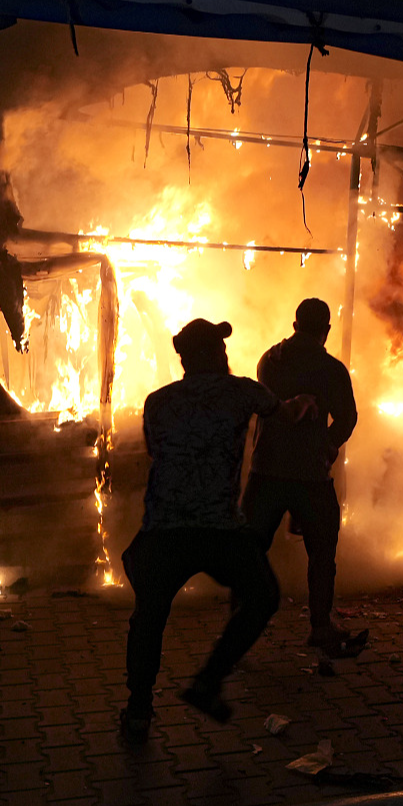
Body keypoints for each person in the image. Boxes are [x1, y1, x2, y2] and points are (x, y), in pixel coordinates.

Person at [118, 319, 310, 746]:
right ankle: (209, 679)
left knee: (149, 618)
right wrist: (304, 402)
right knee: (262, 597)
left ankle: (138, 710)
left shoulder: (157, 402)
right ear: (214, 356)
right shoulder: (242, 391)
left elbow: (157, 452)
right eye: (221, 350)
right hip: (219, 529)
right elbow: (285, 413)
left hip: (164, 530)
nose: (227, 356)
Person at [245, 299, 363, 659]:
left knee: (250, 551)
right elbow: (348, 418)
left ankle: (243, 630)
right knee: (323, 552)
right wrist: (327, 445)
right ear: (326, 330)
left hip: (266, 472)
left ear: (295, 324)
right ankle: (320, 626)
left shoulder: (270, 360)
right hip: (310, 475)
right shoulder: (331, 369)